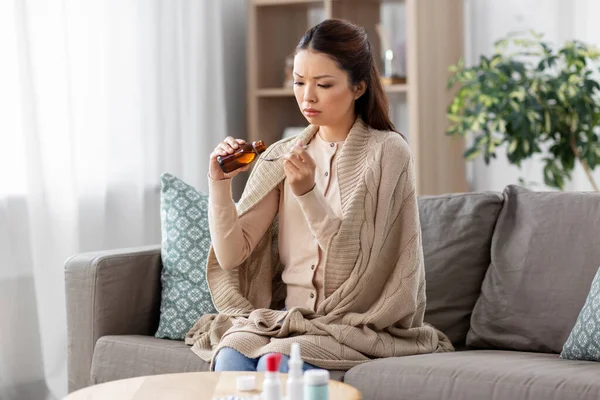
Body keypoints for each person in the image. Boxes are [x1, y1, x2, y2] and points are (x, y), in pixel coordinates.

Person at [185, 18, 453, 372]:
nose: (307, 96)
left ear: (358, 87)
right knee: (232, 356)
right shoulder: (281, 155)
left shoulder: (388, 152)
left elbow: (356, 268)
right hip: (288, 320)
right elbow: (232, 256)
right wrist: (219, 185)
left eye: (323, 84)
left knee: (277, 363)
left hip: (351, 322)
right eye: (299, 82)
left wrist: (308, 193)